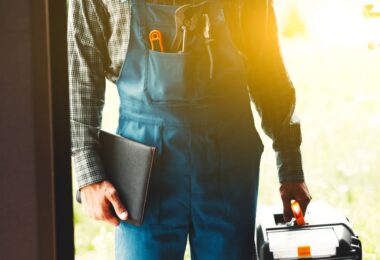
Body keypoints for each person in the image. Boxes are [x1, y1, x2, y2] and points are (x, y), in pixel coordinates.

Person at [68, 0, 312, 259]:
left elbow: (268, 72)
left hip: (228, 164)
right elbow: (82, 76)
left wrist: (290, 164)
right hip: (144, 174)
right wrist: (89, 174)